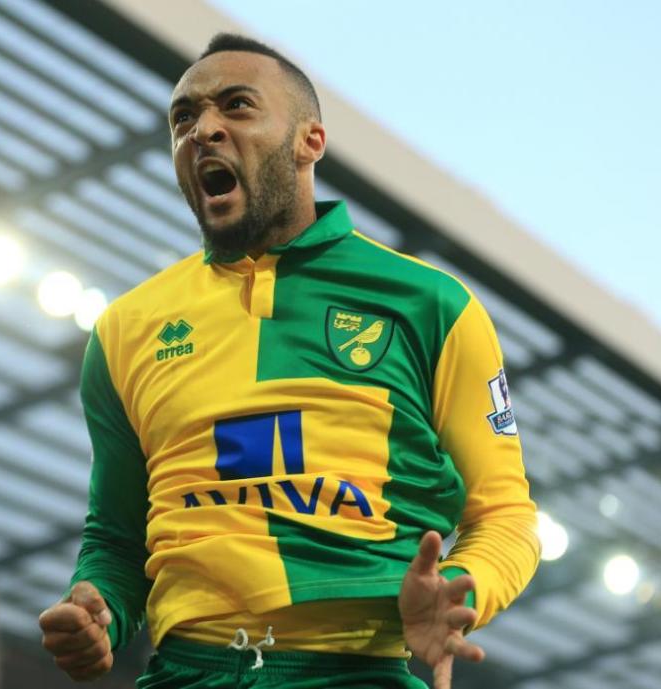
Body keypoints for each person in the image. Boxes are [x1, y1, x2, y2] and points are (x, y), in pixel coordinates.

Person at [39, 33, 540, 689]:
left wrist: (457, 588)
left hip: (358, 673)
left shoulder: (433, 306)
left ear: (310, 141)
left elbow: (507, 516)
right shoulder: (123, 331)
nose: (203, 130)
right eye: (183, 118)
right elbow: (117, 540)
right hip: (185, 673)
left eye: (237, 106)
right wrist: (97, 609)